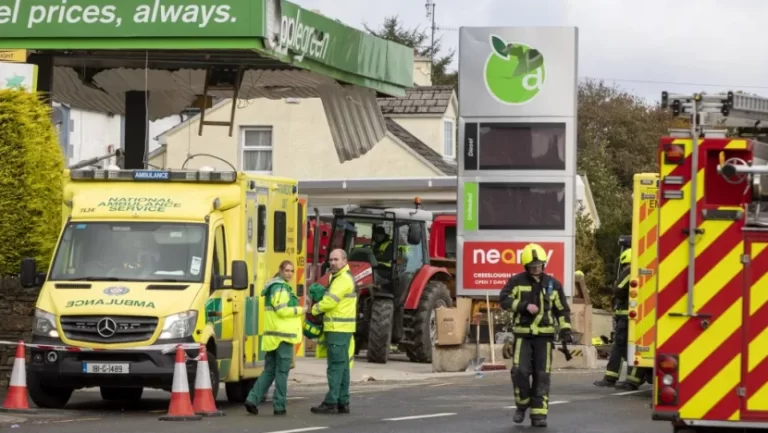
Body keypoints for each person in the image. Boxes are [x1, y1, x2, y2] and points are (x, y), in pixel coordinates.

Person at [499, 243, 573, 428]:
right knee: (520, 372)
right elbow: (504, 300)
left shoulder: (553, 285)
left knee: (542, 375)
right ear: (525, 266)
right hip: (523, 336)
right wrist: (523, 306)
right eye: (532, 267)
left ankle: (539, 414)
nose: (536, 269)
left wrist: (565, 330)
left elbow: (562, 310)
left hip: (545, 338)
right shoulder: (516, 281)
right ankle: (522, 404)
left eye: (539, 265)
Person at [244, 260, 303, 416]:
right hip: (283, 338)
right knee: (282, 373)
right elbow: (281, 310)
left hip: (271, 337)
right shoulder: (281, 288)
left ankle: (252, 399)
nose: (289, 273)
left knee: (269, 371)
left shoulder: (273, 286)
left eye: (292, 271)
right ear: (280, 270)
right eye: (287, 270)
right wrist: (300, 309)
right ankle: (279, 405)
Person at [309, 248, 357, 415]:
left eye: (336, 260)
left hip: (337, 329)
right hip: (343, 330)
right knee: (343, 367)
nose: (333, 263)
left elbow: (329, 301)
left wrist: (314, 309)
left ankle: (331, 402)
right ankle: (343, 401)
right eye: (331, 260)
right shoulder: (339, 277)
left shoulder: (342, 279)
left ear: (345, 261)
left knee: (335, 367)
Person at [594, 248, 649, 390]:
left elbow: (618, 290)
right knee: (637, 348)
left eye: (624, 265)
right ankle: (633, 380)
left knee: (620, 347)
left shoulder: (630, 271)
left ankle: (611, 378)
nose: (624, 268)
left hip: (627, 318)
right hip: (641, 317)